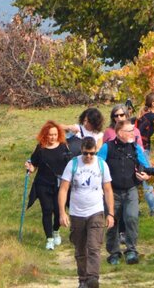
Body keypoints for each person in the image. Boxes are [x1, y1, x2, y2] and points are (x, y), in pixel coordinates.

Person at [58, 137, 114, 288]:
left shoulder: (102, 164)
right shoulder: (73, 164)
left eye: (91, 153)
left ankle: (92, 278)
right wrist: (62, 213)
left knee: (94, 247)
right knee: (80, 248)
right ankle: (82, 279)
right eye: (85, 153)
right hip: (77, 213)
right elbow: (63, 189)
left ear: (96, 151)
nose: (88, 157)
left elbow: (108, 190)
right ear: (81, 150)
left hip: (96, 211)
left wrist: (110, 213)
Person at [98, 119, 153, 265]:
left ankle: (131, 251)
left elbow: (146, 166)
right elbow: (97, 166)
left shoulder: (135, 148)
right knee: (112, 221)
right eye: (129, 131)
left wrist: (146, 175)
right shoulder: (107, 148)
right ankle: (114, 253)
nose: (133, 134)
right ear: (119, 133)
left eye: (133, 131)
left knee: (131, 218)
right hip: (112, 191)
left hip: (131, 189)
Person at [26, 120, 72, 250]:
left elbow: (69, 164)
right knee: (46, 210)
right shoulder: (40, 148)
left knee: (58, 211)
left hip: (59, 185)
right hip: (43, 184)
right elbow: (33, 164)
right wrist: (30, 167)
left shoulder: (63, 146)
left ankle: (56, 231)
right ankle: (49, 239)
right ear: (45, 134)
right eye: (50, 134)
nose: (52, 137)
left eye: (55, 134)